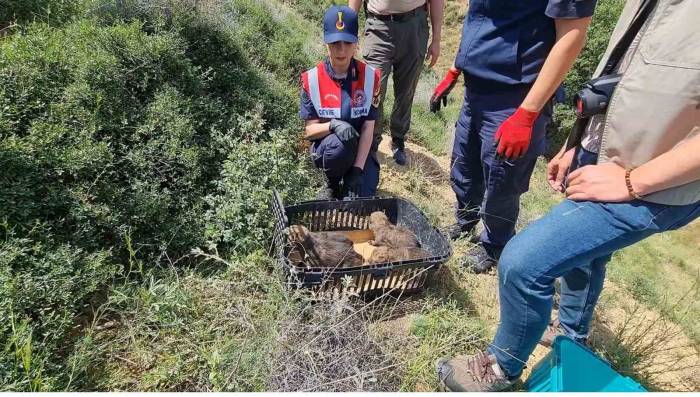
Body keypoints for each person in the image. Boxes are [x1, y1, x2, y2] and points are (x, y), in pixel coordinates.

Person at [436, 0, 700, 391]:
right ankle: (572, 335)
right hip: (607, 153)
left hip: (657, 181)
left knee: (523, 263)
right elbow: (624, 76)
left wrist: (634, 181)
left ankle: (499, 371)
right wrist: (581, 141)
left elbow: (572, 35)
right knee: (585, 253)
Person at [430, 0, 597, 274]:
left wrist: (527, 114)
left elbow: (572, 35)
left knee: (502, 181)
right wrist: (455, 68)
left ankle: (494, 244)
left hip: (515, 96)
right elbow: (478, 17)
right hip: (476, 88)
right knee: (464, 164)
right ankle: (465, 220)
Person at [348, 0, 444, 166]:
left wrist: (436, 39)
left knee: (406, 91)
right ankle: (370, 142)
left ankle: (398, 139)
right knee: (373, 89)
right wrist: (349, 30)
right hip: (379, 26)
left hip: (414, 27)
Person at [300, 5, 382, 199]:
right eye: (335, 43)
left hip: (360, 151)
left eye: (347, 42)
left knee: (360, 200)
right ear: (326, 43)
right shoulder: (311, 80)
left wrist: (357, 171)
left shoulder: (371, 78)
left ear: (356, 43)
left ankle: (351, 177)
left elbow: (368, 128)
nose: (341, 49)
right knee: (339, 145)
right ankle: (331, 183)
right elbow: (309, 131)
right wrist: (333, 125)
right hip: (329, 150)